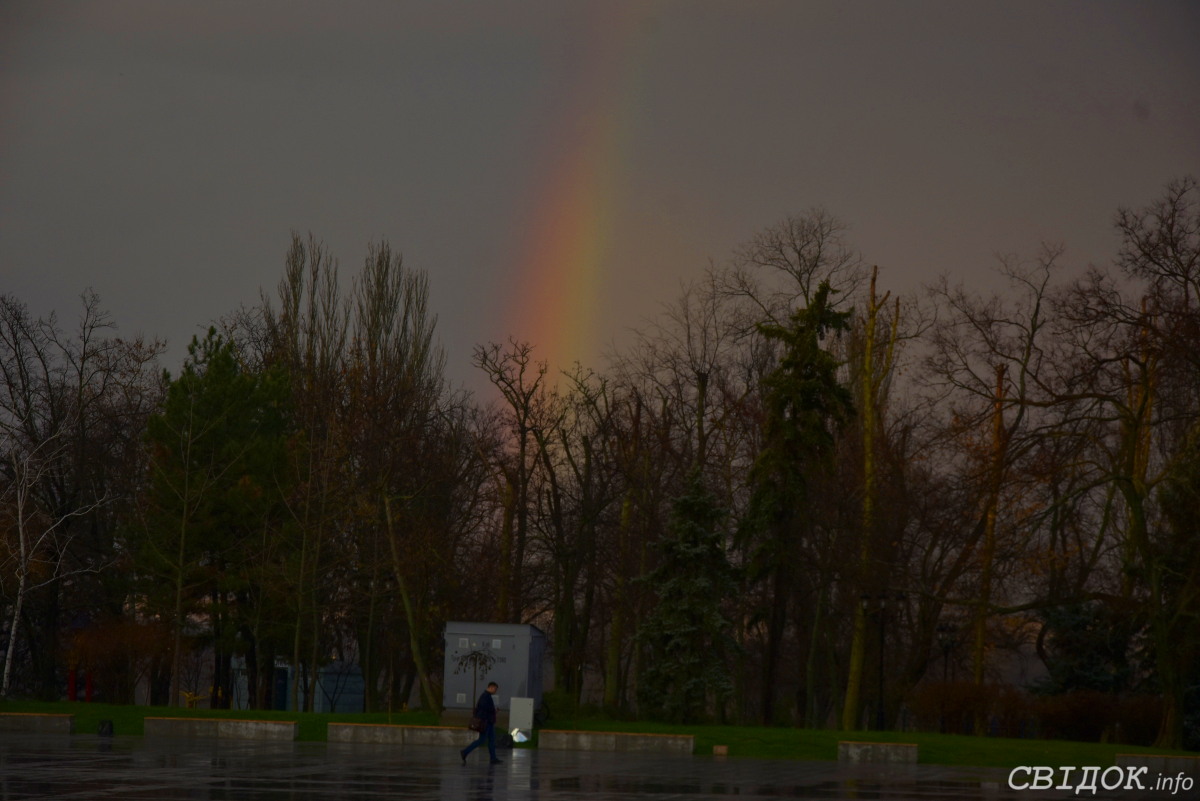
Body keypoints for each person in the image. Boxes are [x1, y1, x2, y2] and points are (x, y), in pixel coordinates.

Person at [459, 681, 502, 765]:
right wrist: (493, 711)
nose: (495, 691)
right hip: (486, 722)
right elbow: (484, 709)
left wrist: (493, 712)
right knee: (482, 740)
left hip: (489, 722)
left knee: (491, 740)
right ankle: (465, 752)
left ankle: (493, 758)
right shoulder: (485, 697)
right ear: (491, 687)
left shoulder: (486, 696)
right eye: (495, 689)